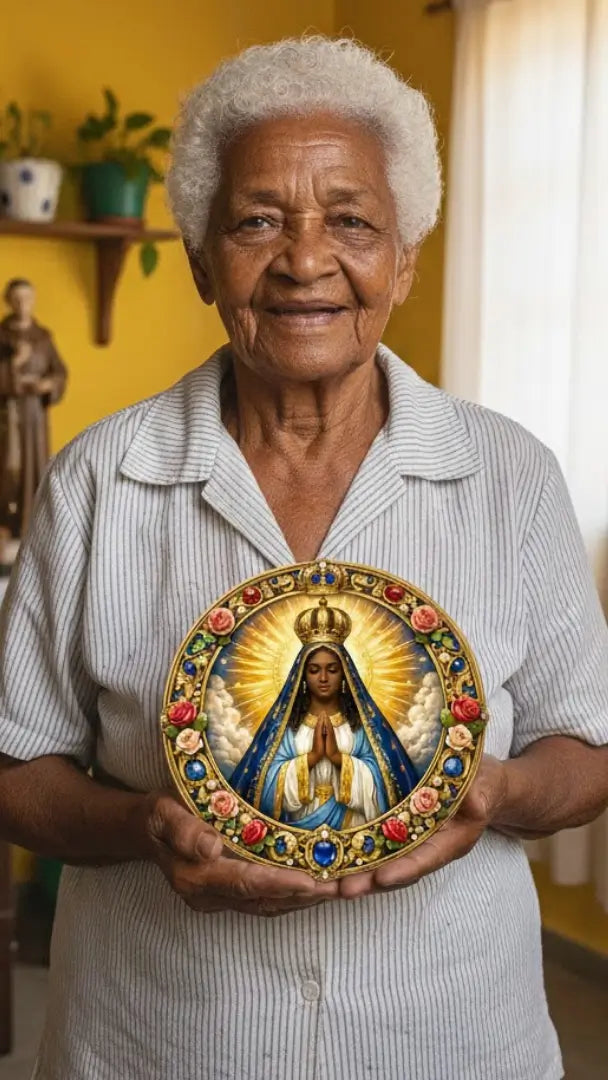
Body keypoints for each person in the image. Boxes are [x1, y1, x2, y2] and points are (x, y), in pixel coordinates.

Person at [0, 35, 606, 1080]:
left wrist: (491, 793)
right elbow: (16, 765)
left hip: (446, 1042)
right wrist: (148, 827)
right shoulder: (99, 477)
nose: (304, 260)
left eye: (351, 220)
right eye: (255, 221)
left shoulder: (511, 476)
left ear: (404, 256)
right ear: (198, 256)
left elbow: (587, 747)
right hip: (161, 1043)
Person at [229, 598, 419, 826]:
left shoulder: (361, 723)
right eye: (314, 670)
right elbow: (263, 787)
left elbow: (384, 782)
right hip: (296, 826)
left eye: (332, 669)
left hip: (353, 825)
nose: (323, 678)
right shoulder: (287, 725)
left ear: (345, 674)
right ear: (302, 675)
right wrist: (312, 758)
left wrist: (340, 759)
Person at [0, 278, 67, 542]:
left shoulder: (43, 337)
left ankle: (28, 528)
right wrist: (13, 365)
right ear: (8, 301)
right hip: (6, 414)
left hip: (33, 415)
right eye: (17, 299)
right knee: (8, 467)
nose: (22, 304)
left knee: (33, 469)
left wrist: (49, 384)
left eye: (27, 298)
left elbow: (59, 371)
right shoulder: (2, 336)